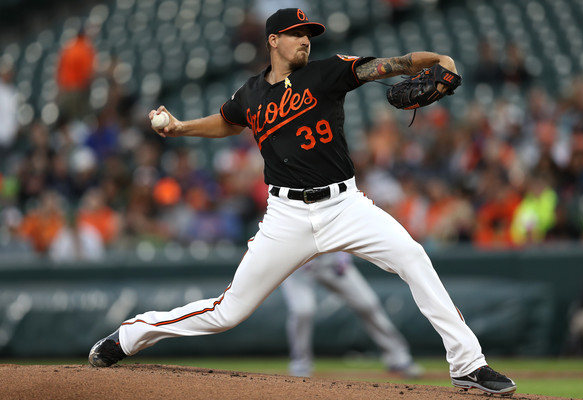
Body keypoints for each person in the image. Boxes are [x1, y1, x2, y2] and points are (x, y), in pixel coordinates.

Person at [89, 8, 516, 396]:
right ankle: (129, 336)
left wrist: (439, 60)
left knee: (413, 256)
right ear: (273, 40)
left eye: (308, 34)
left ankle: (468, 364)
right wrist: (181, 128)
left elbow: (393, 64)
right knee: (228, 313)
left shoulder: (328, 73)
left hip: (345, 205)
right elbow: (227, 121)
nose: (305, 40)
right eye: (295, 34)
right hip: (286, 215)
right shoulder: (251, 93)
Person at [282, 252, 422, 378]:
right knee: (302, 311)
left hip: (332, 262)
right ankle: (301, 365)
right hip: (298, 265)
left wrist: (343, 254)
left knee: (368, 304)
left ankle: (398, 358)